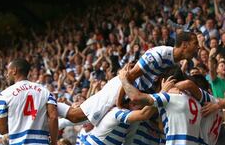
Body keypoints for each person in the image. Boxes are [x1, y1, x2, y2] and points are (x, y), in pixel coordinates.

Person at [58, 31, 199, 126]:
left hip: (131, 94)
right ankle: (50, 105)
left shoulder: (173, 62)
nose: (198, 48)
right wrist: (119, 104)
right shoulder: (159, 54)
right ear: (185, 45)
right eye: (195, 44)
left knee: (89, 120)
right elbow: (128, 76)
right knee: (77, 116)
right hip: (120, 88)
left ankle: (55, 122)